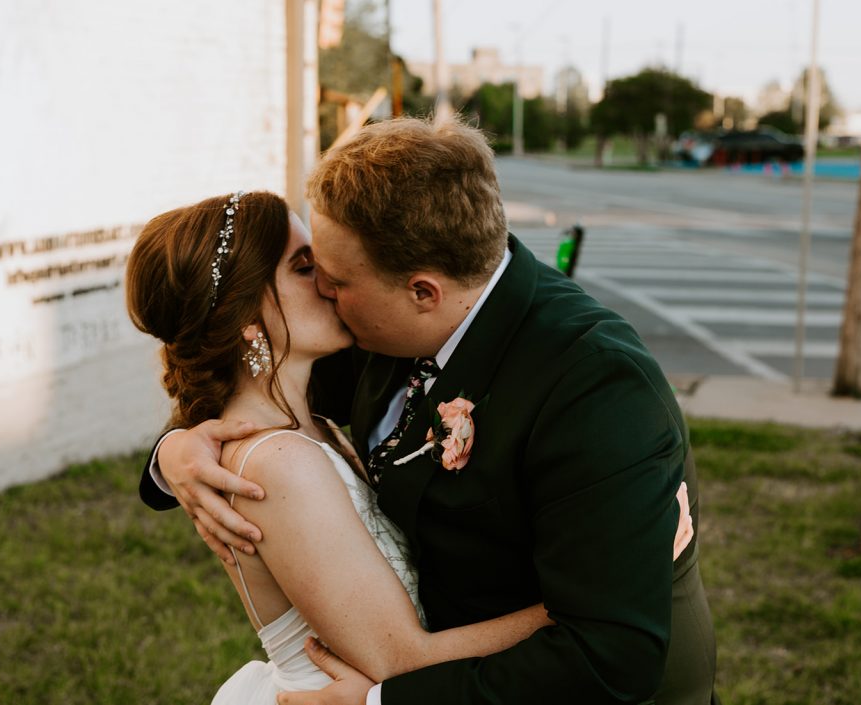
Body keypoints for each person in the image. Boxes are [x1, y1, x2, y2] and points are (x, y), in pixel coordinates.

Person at [141, 117, 717, 705]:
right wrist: (177, 451)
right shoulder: (372, 330)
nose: (326, 293)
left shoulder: (592, 385)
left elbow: (608, 654)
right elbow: (246, 380)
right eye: (309, 268)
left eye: (334, 277)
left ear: (422, 291)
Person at [125, 190, 571, 704]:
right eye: (302, 266)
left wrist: (173, 446)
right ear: (247, 316)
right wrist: (577, 605)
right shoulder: (278, 462)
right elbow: (400, 659)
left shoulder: (308, 420)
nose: (328, 281)